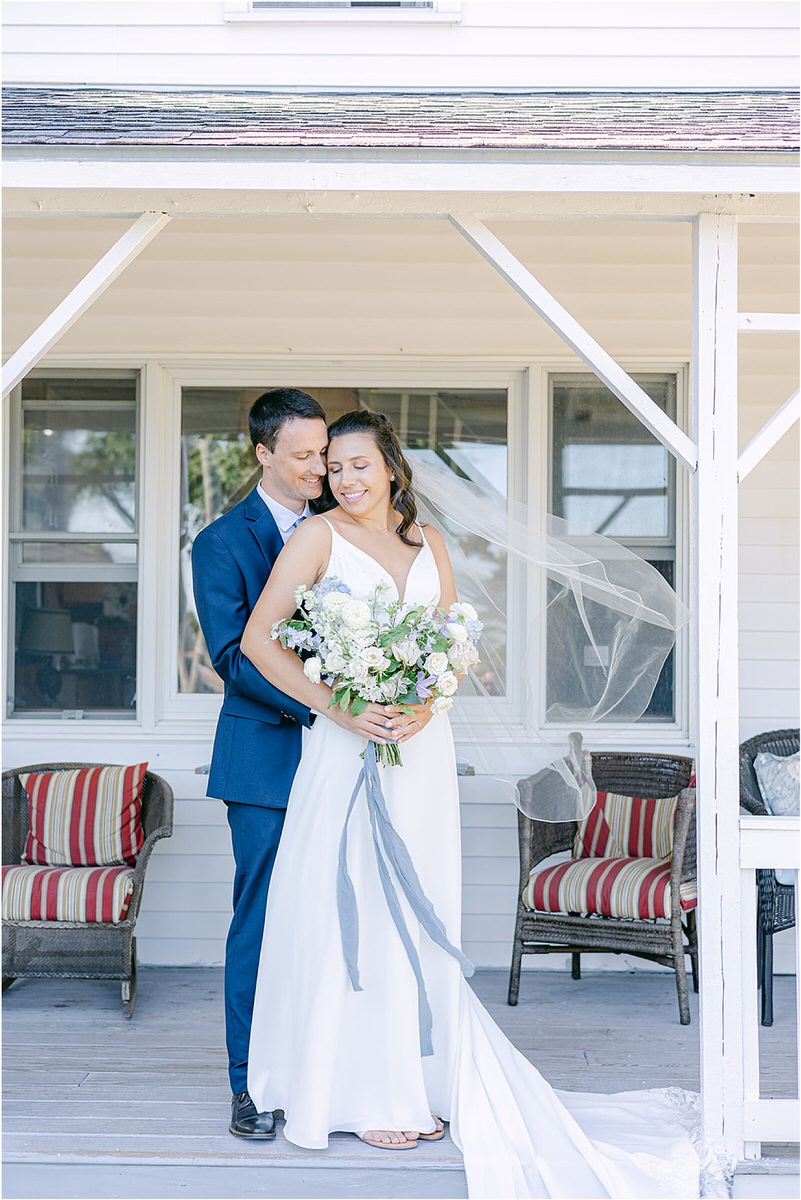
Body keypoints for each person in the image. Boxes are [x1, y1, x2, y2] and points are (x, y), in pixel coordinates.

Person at [239, 410, 703, 1197]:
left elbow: (451, 649)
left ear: (390, 466)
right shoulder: (315, 539)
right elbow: (258, 639)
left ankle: (416, 1078)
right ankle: (358, 1090)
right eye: (334, 467)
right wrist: (341, 707)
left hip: (417, 754)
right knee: (347, 906)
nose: (344, 479)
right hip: (344, 748)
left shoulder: (430, 546)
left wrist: (423, 706)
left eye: (358, 464)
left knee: (417, 909)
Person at [191, 387, 331, 1139]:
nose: (319, 468)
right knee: (263, 921)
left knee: (339, 918)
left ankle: (329, 1068)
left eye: (323, 453)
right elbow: (228, 654)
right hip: (265, 759)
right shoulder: (220, 541)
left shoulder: (344, 529)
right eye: (304, 455)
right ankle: (249, 1085)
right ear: (263, 454)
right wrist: (323, 707)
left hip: (347, 759)